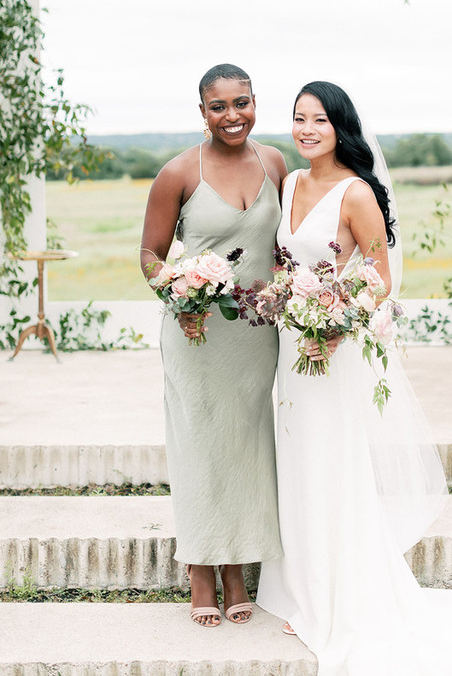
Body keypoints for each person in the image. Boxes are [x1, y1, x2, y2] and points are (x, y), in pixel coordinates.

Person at [256, 81, 452, 675]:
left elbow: (381, 278)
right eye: (299, 119)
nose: (307, 130)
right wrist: (289, 302)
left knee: (334, 461)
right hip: (291, 346)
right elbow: (287, 263)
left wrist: (339, 323)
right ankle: (302, 590)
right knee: (298, 459)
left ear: (341, 127)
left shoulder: (356, 194)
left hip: (332, 351)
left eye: (319, 120)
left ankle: (342, 595)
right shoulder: (290, 184)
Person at [140, 63, 287, 627]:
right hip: (197, 334)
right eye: (219, 106)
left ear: (255, 102)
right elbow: (151, 256)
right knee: (200, 444)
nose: (233, 116)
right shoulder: (178, 173)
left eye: (242, 103)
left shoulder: (274, 161)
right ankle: (202, 566)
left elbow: (283, 245)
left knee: (248, 444)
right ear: (201, 111)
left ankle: (236, 567)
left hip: (255, 336)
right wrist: (183, 295)